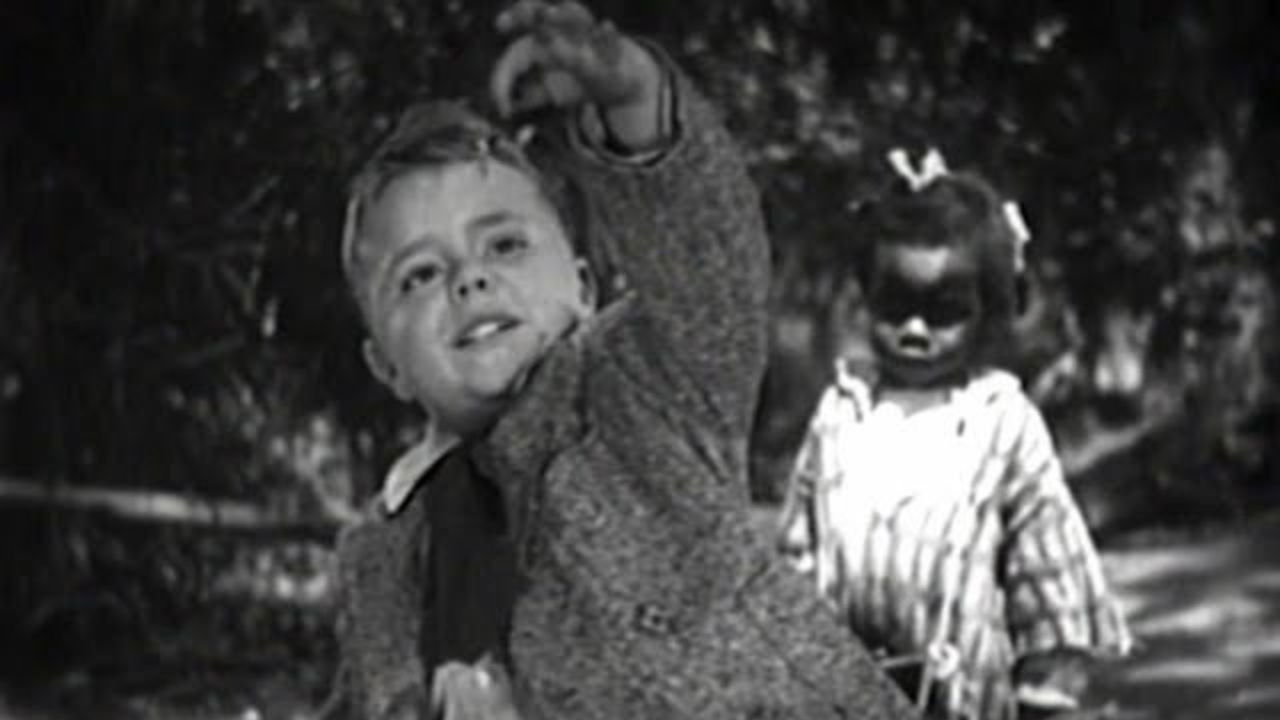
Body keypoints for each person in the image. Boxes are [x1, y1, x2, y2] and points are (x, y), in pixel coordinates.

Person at [325, 2, 920, 718]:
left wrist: (635, 103)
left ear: (583, 288)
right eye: (419, 275)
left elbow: (704, 261)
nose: (469, 279)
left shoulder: (643, 387)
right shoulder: (380, 559)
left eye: (505, 244)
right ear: (385, 366)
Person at [777, 150, 1132, 720]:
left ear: (986, 311)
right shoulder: (841, 412)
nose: (915, 330)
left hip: (962, 699)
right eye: (895, 307)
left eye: (943, 312)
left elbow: (1046, 563)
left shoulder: (999, 421)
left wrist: (1046, 687)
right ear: (867, 295)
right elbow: (798, 554)